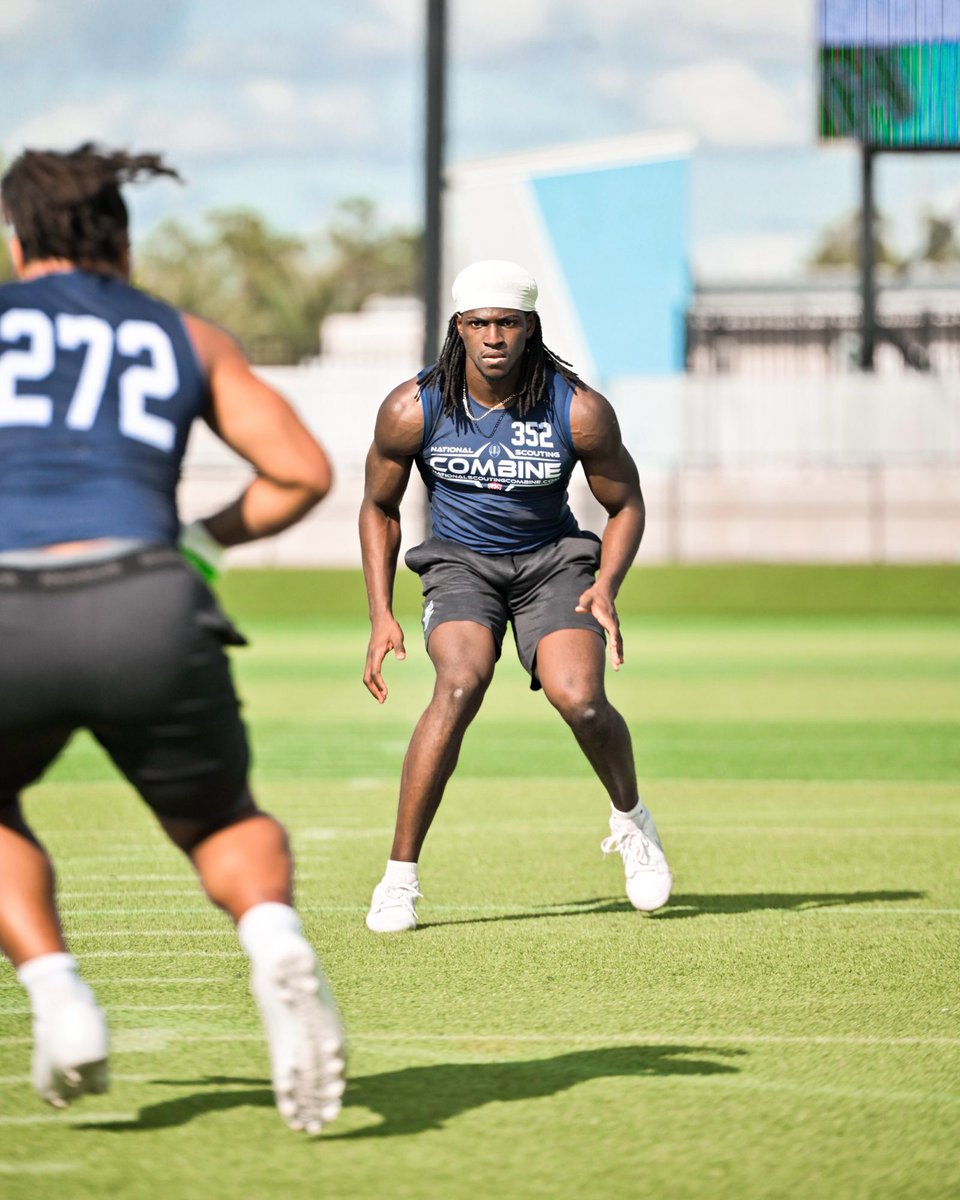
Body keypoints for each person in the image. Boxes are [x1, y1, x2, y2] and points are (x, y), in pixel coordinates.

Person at [0, 144, 345, 1133]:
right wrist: (198, 543)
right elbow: (301, 473)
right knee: (224, 819)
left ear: (19, 239)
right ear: (122, 238)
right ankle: (274, 937)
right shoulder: (182, 335)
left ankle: (58, 993)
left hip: (6, 605)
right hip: (150, 598)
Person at [360, 258, 672, 933]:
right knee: (459, 685)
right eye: (479, 324)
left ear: (529, 328)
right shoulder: (413, 407)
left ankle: (632, 821)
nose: (493, 336)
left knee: (581, 700)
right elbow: (379, 508)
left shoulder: (578, 408)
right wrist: (381, 613)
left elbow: (626, 505)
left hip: (553, 565)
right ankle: (398, 880)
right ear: (459, 328)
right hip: (459, 566)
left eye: (507, 323)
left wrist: (608, 588)